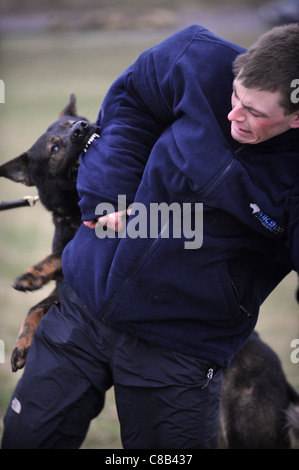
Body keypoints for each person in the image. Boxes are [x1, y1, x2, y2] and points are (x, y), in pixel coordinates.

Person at [2, 23, 299, 449]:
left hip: (179, 349)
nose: (234, 115)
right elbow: (130, 102)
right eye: (235, 97)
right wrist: (109, 190)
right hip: (83, 306)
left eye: (255, 112)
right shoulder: (195, 57)